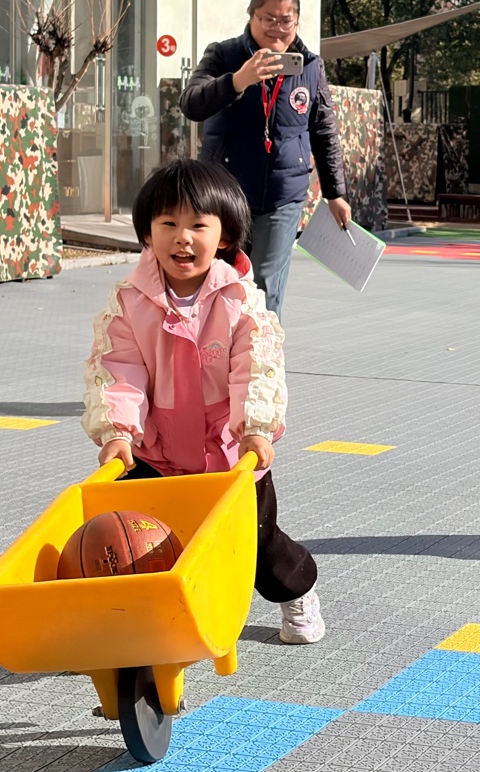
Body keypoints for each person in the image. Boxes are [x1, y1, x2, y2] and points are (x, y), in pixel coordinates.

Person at [81, 158, 324, 644]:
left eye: (197, 225)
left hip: (232, 455)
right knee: (140, 540)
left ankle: (298, 591)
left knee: (257, 546)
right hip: (156, 455)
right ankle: (139, 619)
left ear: (225, 234)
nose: (182, 238)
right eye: (168, 224)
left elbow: (256, 365)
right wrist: (117, 431)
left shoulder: (239, 300)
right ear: (147, 233)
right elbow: (117, 368)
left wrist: (256, 426)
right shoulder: (129, 302)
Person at [180, 0, 350, 317]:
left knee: (264, 283)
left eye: (286, 20)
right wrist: (238, 80)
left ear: (297, 21)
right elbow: (191, 104)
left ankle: (261, 348)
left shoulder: (310, 66)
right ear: (251, 16)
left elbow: (323, 130)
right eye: (268, 19)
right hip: (225, 193)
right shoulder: (224, 55)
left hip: (283, 193)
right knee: (220, 279)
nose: (277, 29)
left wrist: (336, 193)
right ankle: (218, 345)